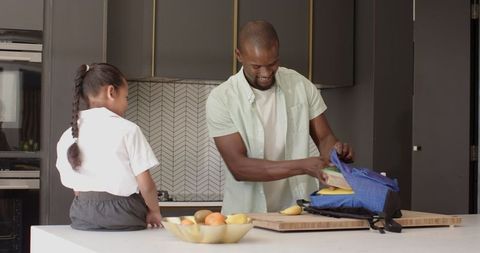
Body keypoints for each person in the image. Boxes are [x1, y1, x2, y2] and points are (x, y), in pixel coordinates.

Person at [206, 20, 354, 214]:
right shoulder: (221, 98)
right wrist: (303, 166)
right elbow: (239, 167)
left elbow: (325, 138)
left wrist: (335, 151)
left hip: (298, 213)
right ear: (238, 55)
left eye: (272, 63)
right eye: (257, 66)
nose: (266, 73)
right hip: (245, 219)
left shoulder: (300, 85)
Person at [56, 63, 162, 230]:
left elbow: (76, 188)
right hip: (124, 215)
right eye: (126, 97)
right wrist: (154, 211)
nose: (126, 104)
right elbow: (146, 184)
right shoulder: (128, 130)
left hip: (82, 213)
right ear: (111, 92)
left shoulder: (69, 134)